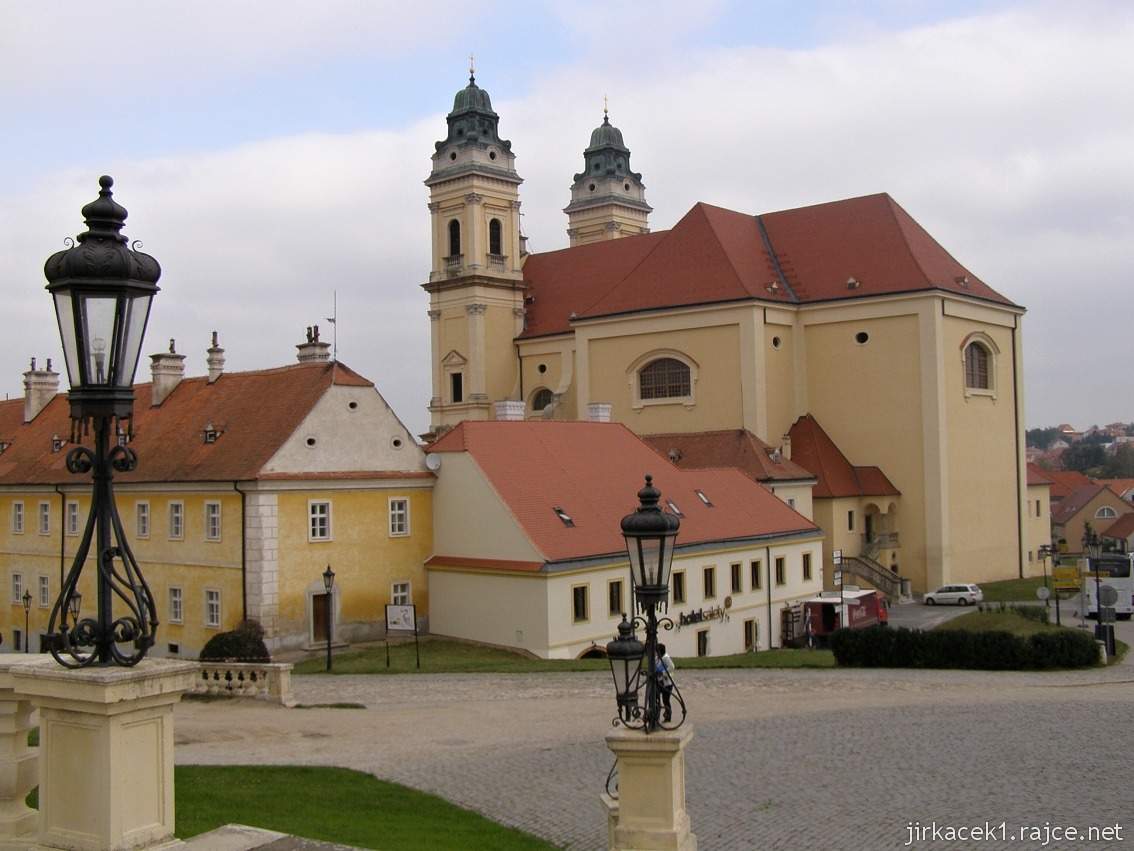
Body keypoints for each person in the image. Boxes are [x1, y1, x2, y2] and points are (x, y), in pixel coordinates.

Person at [655, 643, 675, 722]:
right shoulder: (657, 658)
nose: (656, 652)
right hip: (659, 682)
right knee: (656, 697)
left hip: (667, 683)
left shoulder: (666, 658)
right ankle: (657, 715)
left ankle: (668, 716)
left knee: (666, 700)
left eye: (657, 650)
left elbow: (672, 667)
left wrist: (663, 673)